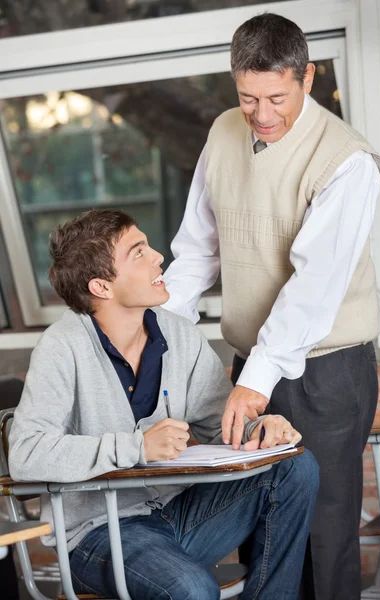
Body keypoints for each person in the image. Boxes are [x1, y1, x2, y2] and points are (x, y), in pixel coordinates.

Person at [162, 12, 380, 600]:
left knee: (319, 534)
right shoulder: (223, 133)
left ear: (307, 78)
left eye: (276, 98)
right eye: (247, 97)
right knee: (258, 528)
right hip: (249, 366)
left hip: (327, 372)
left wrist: (254, 382)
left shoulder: (347, 160)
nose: (261, 115)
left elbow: (312, 290)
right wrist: (158, 334)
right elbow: (194, 251)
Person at [8, 209, 318, 600]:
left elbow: (217, 421)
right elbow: (26, 453)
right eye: (138, 253)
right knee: (191, 589)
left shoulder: (178, 333)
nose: (158, 257)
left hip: (181, 514)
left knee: (292, 466)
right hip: (100, 534)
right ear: (102, 287)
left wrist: (262, 430)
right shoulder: (62, 346)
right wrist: (136, 448)